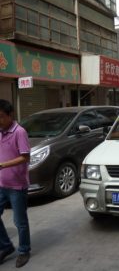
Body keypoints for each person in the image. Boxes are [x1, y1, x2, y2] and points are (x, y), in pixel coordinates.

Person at [0, 99, 31, 268]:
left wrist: (3, 165)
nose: (0, 121)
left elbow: (25, 157)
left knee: (20, 221)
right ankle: (5, 246)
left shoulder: (20, 132)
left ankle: (24, 250)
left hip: (17, 187)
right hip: (1, 184)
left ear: (10, 115)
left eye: (1, 117)